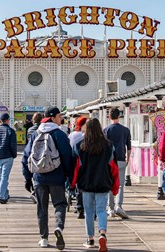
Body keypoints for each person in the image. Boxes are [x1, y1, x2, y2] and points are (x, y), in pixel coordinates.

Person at [22, 106, 73, 250]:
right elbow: (67, 156)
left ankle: (43, 238)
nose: (60, 119)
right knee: (60, 204)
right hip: (57, 177)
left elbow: (26, 156)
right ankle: (58, 227)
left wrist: (27, 177)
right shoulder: (60, 134)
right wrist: (69, 176)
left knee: (41, 208)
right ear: (52, 117)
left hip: (39, 178)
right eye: (59, 116)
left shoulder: (35, 134)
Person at [71, 118, 119, 252]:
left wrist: (72, 183)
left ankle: (90, 238)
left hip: (86, 184)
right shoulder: (109, 145)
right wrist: (115, 186)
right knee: (101, 210)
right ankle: (102, 233)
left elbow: (76, 167)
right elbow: (113, 167)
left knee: (89, 212)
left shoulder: (80, 145)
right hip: (103, 183)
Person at [103, 108, 131, 219]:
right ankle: (119, 205)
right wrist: (127, 159)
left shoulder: (106, 130)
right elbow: (128, 147)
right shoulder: (126, 130)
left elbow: (103, 147)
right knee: (120, 185)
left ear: (109, 117)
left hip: (109, 161)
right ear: (119, 116)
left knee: (110, 184)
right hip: (121, 159)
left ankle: (110, 208)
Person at [0, 113, 17, 204]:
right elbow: (13, 145)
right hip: (7, 156)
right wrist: (14, 155)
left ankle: (5, 194)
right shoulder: (10, 131)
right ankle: (1, 196)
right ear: (7, 120)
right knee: (4, 177)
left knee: (2, 176)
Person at [68, 116, 87, 219]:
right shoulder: (84, 136)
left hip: (76, 163)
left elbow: (70, 148)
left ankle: (79, 207)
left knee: (78, 186)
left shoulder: (72, 135)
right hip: (85, 164)